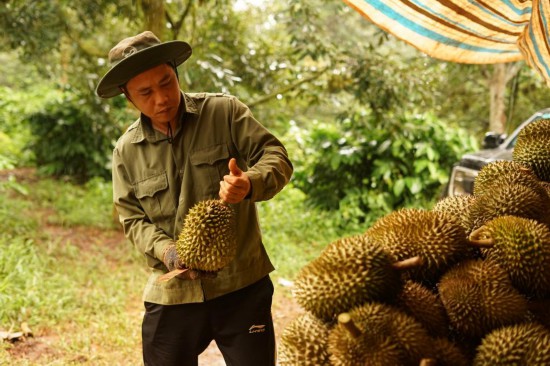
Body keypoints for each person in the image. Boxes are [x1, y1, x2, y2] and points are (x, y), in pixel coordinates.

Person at [96, 31, 293, 366]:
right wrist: (167, 251)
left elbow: (276, 155)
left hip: (241, 283)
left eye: (166, 82)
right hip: (173, 293)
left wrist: (250, 182)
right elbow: (132, 217)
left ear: (176, 72)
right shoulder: (126, 150)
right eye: (145, 92)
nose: (161, 98)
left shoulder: (224, 112)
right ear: (128, 98)